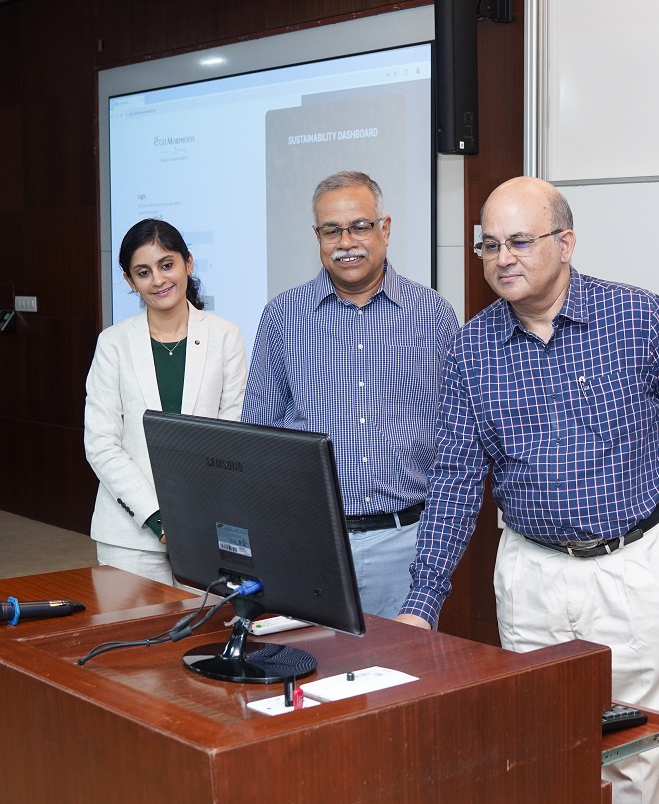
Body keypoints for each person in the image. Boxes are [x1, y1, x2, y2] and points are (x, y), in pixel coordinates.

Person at [395, 176, 659, 804]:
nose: (501, 259)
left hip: (634, 566)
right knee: (539, 753)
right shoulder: (472, 345)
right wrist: (422, 599)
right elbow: (455, 478)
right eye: (487, 245)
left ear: (565, 243)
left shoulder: (635, 316)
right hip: (532, 572)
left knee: (637, 750)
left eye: (519, 241)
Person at [242, 171, 458, 618]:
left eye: (359, 226)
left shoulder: (433, 314)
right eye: (331, 230)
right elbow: (256, 435)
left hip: (406, 544)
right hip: (309, 542)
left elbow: (456, 436)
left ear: (385, 228)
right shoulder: (283, 316)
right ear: (317, 236)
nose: (346, 241)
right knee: (308, 672)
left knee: (398, 679)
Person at [85, 219, 249, 585]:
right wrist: (158, 517)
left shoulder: (225, 336)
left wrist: (195, 517)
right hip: (129, 536)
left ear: (188, 263)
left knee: (202, 639)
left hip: (208, 530)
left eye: (166, 265)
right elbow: (101, 443)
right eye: (143, 272)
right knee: (133, 640)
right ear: (130, 281)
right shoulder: (113, 344)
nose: (158, 280)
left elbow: (232, 434)